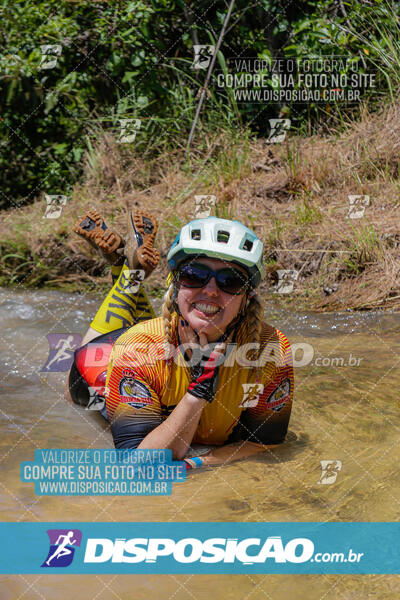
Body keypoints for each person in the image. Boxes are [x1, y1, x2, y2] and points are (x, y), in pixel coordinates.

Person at [68, 209, 294, 467]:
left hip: (155, 346)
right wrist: (197, 392)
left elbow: (266, 443)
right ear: (175, 286)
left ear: (247, 298)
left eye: (230, 281)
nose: (210, 291)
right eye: (194, 276)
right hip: (95, 366)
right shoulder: (135, 347)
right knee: (117, 350)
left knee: (151, 344)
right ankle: (126, 273)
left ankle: (128, 270)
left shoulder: (271, 348)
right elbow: (138, 466)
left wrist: (197, 463)